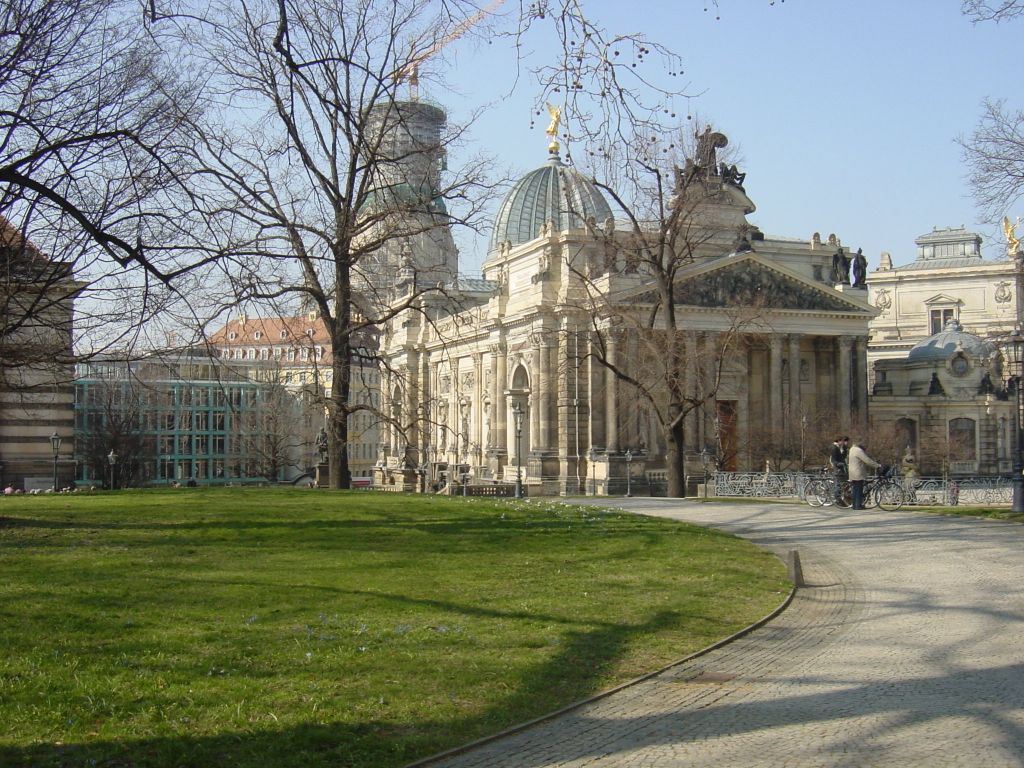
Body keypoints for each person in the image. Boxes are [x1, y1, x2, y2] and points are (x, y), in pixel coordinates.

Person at [847, 439, 881, 510]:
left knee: (855, 490)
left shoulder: (852, 449)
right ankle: (858, 505)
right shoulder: (858, 451)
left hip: (852, 472)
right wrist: (877, 465)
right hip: (858, 473)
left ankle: (854, 505)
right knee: (859, 489)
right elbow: (867, 460)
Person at [829, 436, 849, 504]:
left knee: (840, 484)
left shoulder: (838, 447)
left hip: (839, 468)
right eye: (842, 441)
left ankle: (839, 499)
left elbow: (842, 457)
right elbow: (834, 460)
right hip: (837, 469)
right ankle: (837, 500)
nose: (843, 443)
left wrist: (844, 449)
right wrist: (841, 464)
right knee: (838, 484)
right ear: (839, 441)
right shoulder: (834, 448)